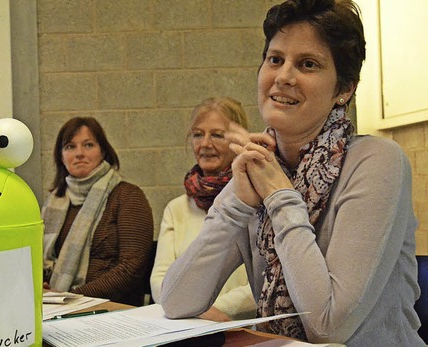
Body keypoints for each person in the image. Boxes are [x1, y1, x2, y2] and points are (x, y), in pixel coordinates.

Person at [159, 0, 423, 345]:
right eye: (275, 59)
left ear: (344, 89)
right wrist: (237, 204)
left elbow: (328, 327)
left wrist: (280, 198)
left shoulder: (378, 161)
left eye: (308, 64)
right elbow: (177, 301)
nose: (283, 77)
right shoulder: (258, 166)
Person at [150, 96, 256, 321]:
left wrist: (215, 310)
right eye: (198, 134)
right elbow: (160, 279)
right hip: (187, 324)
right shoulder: (176, 208)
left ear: (237, 140)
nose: (205, 144)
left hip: (242, 326)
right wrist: (196, 310)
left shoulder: (254, 201)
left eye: (217, 135)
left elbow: (264, 282)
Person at [42, 117, 154, 306]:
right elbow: (40, 259)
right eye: (70, 147)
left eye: (88, 145)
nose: (79, 153)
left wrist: (73, 296)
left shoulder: (128, 196)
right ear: (61, 156)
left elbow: (132, 267)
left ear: (103, 151)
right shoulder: (54, 202)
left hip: (113, 309)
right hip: (57, 305)